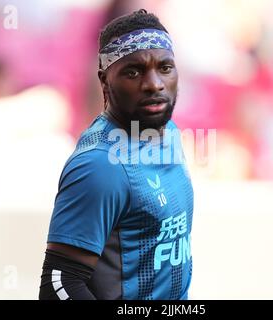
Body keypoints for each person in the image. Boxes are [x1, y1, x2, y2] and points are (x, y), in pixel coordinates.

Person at [39, 9, 194, 300]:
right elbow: (58, 285)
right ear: (104, 82)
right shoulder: (100, 165)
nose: (154, 84)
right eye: (133, 72)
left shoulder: (168, 130)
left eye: (164, 67)